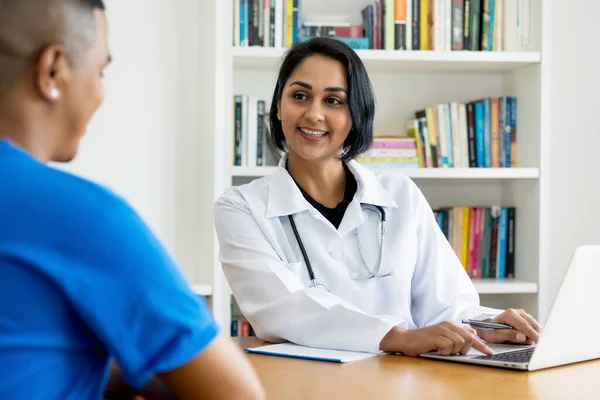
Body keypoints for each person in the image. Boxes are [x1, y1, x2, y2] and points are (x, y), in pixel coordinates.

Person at [214, 37, 542, 357]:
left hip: (404, 382)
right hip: (305, 384)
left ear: (356, 114)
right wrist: (397, 337)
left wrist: (486, 325)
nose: (314, 114)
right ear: (278, 107)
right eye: (300, 96)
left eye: (333, 101)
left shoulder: (401, 194)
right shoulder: (241, 207)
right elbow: (281, 310)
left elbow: (447, 303)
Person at [0, 1, 264, 399]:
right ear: (53, 69)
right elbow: (237, 394)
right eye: (100, 71)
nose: (101, 93)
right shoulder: (85, 218)